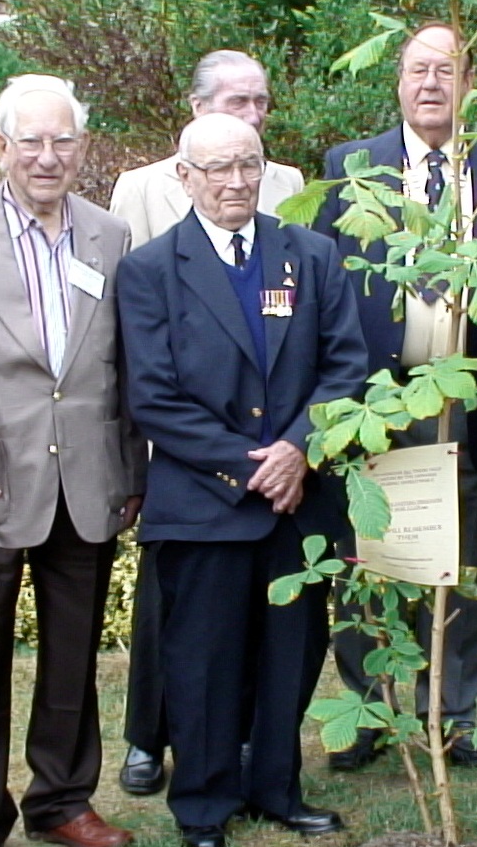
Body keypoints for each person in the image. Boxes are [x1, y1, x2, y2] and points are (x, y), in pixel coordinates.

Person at [115, 112, 367, 847]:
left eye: (248, 164)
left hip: (299, 501)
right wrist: (249, 467)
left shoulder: (313, 255)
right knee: (202, 660)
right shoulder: (151, 270)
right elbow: (153, 397)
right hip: (204, 504)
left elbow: (345, 366)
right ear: (184, 176)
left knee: (292, 653)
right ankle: (202, 802)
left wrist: (297, 450)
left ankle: (277, 787)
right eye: (217, 167)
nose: (235, 181)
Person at [0, 74, 147, 847]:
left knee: (72, 657)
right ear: (1, 146)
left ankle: (63, 799)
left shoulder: (109, 236)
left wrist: (129, 473)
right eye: (31, 141)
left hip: (86, 483)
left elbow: (125, 368)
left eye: (63, 141)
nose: (48, 157)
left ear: (82, 147)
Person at [313, 21, 477, 770]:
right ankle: (370, 709)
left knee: (462, 565)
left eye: (445, 70)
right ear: (397, 80)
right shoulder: (351, 167)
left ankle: (452, 711)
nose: (430, 84)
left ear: (468, 79)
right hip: (380, 402)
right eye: (417, 69)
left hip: (470, 403)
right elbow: (327, 294)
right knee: (368, 563)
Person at [107, 49, 304, 797]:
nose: (249, 116)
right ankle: (149, 738)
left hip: (281, 456)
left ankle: (259, 762)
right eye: (234, 100)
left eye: (259, 102)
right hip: (194, 464)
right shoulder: (144, 192)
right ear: (194, 114)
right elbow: (139, 347)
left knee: (264, 633)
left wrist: (294, 448)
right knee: (179, 624)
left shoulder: (283, 185)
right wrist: (239, 460)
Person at [110, 50, 303, 248]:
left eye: (261, 102)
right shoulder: (141, 190)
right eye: (238, 102)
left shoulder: (289, 182)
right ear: (198, 106)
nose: (254, 116)